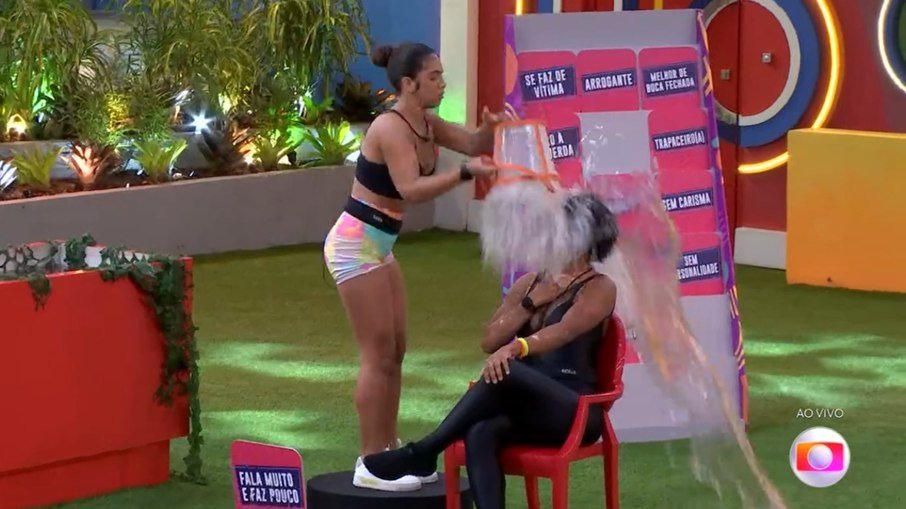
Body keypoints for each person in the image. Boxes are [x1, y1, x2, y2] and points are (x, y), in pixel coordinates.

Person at [322, 40, 510, 492]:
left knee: (396, 353)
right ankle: (370, 461)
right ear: (408, 84)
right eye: (434, 77)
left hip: (380, 245)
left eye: (442, 75)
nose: (442, 84)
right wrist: (463, 174)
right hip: (354, 245)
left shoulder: (426, 122)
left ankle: (390, 452)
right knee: (377, 354)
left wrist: (489, 130)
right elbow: (410, 189)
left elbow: (472, 143)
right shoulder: (391, 127)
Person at [362, 192, 619, 509]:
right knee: (481, 431)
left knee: (509, 369)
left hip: (574, 409)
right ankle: (425, 456)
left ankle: (424, 451)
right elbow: (489, 340)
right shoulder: (529, 283)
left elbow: (564, 331)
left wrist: (517, 348)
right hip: (529, 406)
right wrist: (530, 303)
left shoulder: (599, 288)